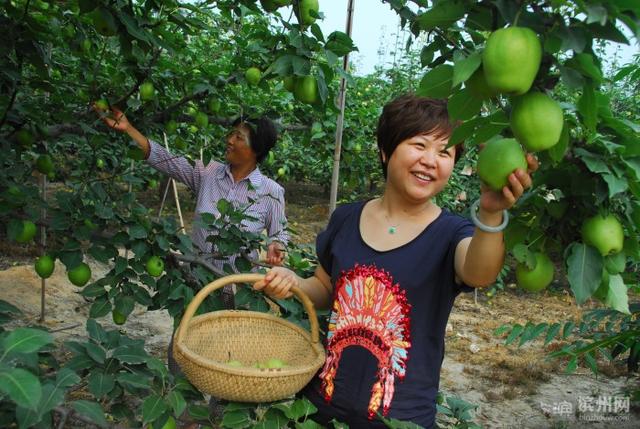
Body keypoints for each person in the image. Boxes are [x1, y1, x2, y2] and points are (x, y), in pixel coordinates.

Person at [253, 94, 538, 428]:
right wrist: (292, 284)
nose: (431, 160)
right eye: (419, 145)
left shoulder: (451, 233)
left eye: (445, 152)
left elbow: (479, 272)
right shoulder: (346, 218)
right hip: (317, 410)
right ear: (387, 151)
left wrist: (490, 213)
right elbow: (325, 288)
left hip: (401, 418)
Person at [97, 106, 289, 280]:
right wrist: (128, 128)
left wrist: (276, 246)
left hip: (237, 290)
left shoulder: (271, 192)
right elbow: (165, 159)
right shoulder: (207, 172)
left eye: (239, 137)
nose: (229, 140)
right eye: (231, 134)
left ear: (257, 149)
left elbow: (279, 234)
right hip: (196, 281)